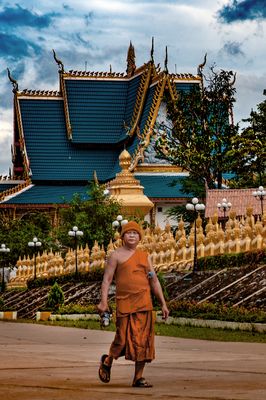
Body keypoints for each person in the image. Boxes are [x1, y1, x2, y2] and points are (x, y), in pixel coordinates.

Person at [97, 220, 169, 388]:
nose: (132, 235)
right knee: (121, 339)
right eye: (128, 233)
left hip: (144, 304)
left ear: (139, 238)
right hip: (124, 304)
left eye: (135, 233)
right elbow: (107, 280)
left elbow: (154, 281)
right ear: (122, 236)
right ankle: (107, 361)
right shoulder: (115, 255)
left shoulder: (145, 256)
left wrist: (163, 304)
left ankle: (138, 378)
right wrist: (103, 302)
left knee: (143, 341)